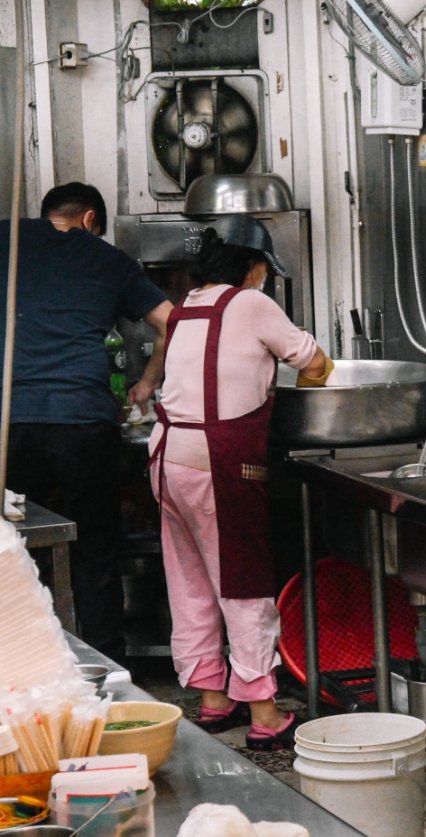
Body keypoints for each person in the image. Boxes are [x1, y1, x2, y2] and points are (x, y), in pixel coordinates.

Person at [147, 214, 332, 750]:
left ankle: (211, 698)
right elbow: (314, 362)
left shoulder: (186, 308)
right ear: (252, 267)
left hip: (166, 458)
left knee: (191, 582)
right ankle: (265, 712)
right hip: (219, 463)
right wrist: (306, 377)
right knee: (244, 584)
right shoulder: (250, 303)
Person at [0, 182, 172, 661]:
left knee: (13, 548)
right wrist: (150, 382)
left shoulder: (6, 240)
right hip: (83, 421)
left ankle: (21, 665)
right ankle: (108, 668)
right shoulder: (108, 259)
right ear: (91, 219)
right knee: (94, 550)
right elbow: (171, 320)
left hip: (11, 422)